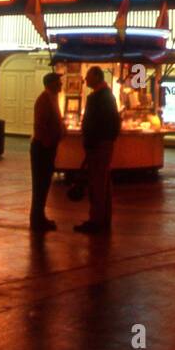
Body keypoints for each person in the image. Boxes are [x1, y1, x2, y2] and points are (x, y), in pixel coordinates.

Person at [77, 65, 120, 233]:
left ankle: (96, 221)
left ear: (96, 76)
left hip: (98, 145)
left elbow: (95, 123)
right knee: (102, 182)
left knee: (97, 183)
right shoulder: (108, 96)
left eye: (88, 76)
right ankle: (102, 218)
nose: (85, 79)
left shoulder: (97, 98)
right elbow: (114, 122)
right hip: (103, 143)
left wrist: (90, 141)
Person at [29, 72, 63, 232]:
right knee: (40, 184)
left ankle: (39, 217)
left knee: (43, 184)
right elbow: (41, 125)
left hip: (46, 146)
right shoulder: (44, 100)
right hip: (42, 148)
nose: (61, 85)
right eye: (58, 82)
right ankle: (37, 219)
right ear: (51, 84)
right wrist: (49, 141)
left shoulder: (51, 98)